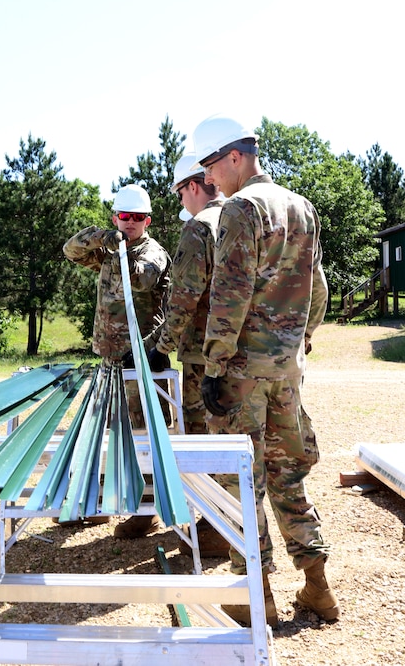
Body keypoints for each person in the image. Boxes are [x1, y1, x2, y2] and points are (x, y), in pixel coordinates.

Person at [191, 113, 339, 628]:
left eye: (211, 165)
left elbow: (229, 295)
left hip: (242, 373)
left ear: (236, 156)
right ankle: (318, 587)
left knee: (240, 482)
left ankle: (258, 598)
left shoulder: (240, 208)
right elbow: (317, 288)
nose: (208, 177)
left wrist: (213, 367)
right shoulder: (301, 206)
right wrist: (299, 342)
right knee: (287, 474)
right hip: (287, 370)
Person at [63, 183, 171, 538]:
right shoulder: (109, 247)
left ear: (148, 221)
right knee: (109, 430)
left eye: (138, 218)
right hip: (109, 355)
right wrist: (103, 238)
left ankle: (148, 508)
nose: (131, 223)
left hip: (140, 357)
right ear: (116, 217)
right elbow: (71, 249)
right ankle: (103, 502)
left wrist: (121, 248)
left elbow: (142, 279)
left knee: (143, 432)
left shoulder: (151, 251)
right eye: (125, 217)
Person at [144, 154, 231, 557]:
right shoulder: (240, 217)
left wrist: (158, 349)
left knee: (203, 437)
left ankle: (215, 526)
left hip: (202, 354)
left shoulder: (199, 228)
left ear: (193, 186)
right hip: (241, 351)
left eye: (180, 193)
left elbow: (183, 301)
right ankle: (228, 521)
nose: (182, 200)